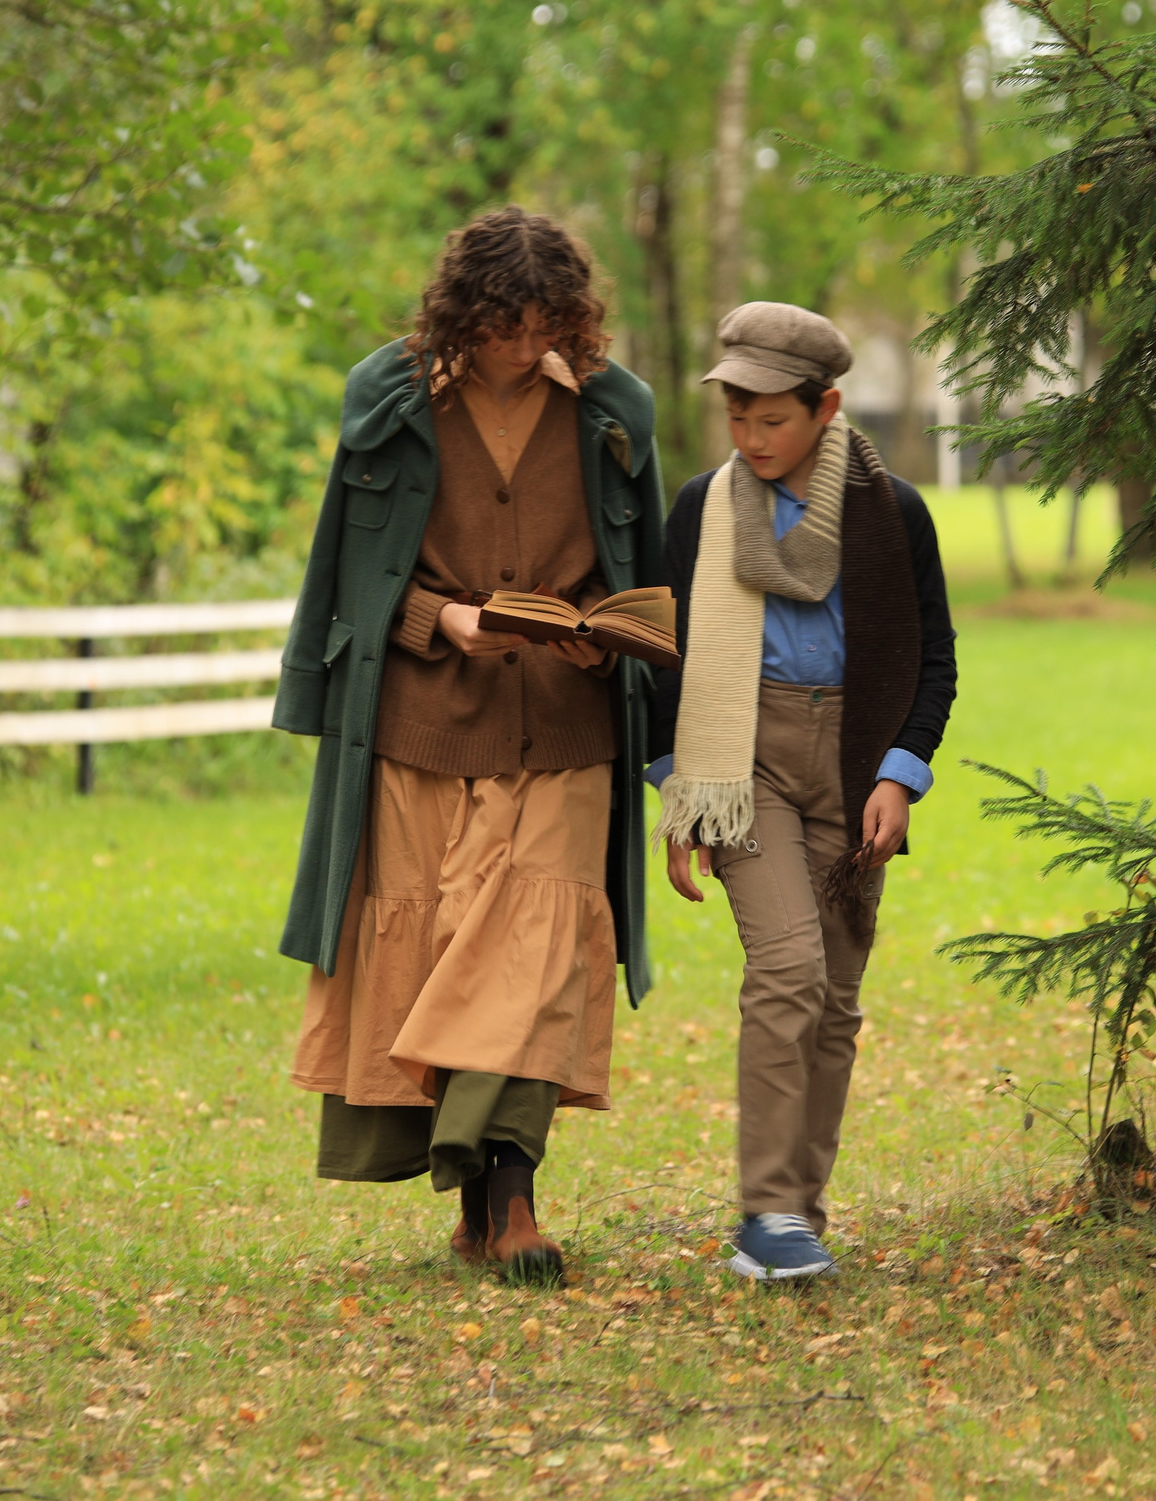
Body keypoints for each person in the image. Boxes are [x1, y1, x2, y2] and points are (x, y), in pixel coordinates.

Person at [270, 208, 667, 1283]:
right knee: (443, 956)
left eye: (547, 320)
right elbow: (352, 573)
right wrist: (439, 621)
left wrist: (603, 635)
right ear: (462, 310)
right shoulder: (389, 400)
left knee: (529, 958)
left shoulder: (614, 410)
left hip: (568, 728)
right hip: (421, 725)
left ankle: (516, 1196)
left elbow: (643, 574)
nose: (521, 341)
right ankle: (475, 1201)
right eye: (502, 320)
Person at [648, 302, 957, 1282]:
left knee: (832, 999)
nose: (750, 439)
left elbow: (934, 660)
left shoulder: (893, 512)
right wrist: (677, 788)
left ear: (825, 407)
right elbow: (661, 656)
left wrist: (900, 774)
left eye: (770, 419)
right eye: (736, 418)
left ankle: (799, 1214)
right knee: (786, 970)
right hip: (742, 764)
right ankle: (769, 1215)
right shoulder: (701, 508)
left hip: (855, 765)